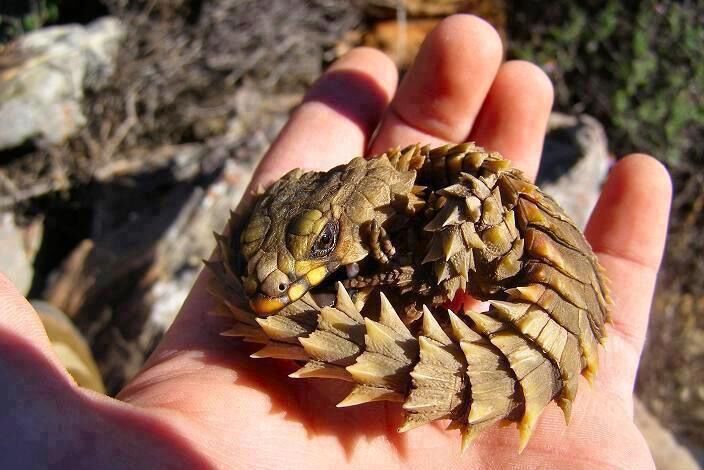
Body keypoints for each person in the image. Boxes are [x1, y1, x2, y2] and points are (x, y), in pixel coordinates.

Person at [0, 15, 669, 469]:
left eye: (323, 243)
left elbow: (464, 224)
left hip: (551, 315)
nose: (277, 288)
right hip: (536, 314)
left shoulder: (431, 195)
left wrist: (409, 276)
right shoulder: (378, 202)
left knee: (464, 212)